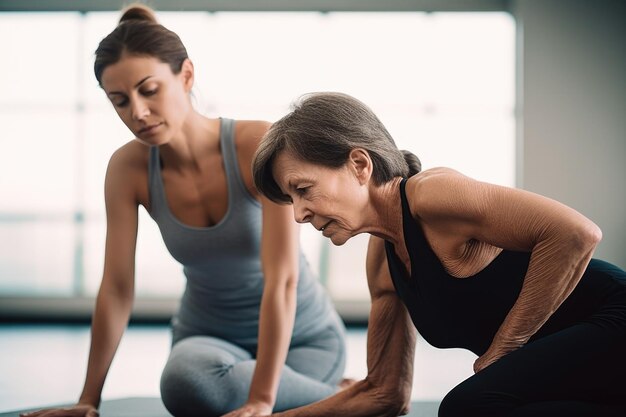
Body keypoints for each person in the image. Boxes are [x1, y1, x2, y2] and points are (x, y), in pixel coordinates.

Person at [22, 6, 349, 417]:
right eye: (119, 101)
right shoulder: (128, 169)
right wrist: (88, 400)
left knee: (232, 392)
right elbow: (116, 288)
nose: (137, 113)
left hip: (303, 340)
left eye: (149, 90)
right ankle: (333, 394)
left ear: (187, 76)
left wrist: (261, 400)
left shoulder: (256, 143)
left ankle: (334, 391)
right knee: (187, 384)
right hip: (208, 339)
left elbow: (281, 278)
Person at [251, 91, 626, 417]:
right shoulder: (382, 259)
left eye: (302, 189)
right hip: (570, 357)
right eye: (291, 200)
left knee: (470, 407)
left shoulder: (431, 194)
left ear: (359, 165)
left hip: (613, 316)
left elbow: (575, 233)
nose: (299, 214)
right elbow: (385, 393)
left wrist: (505, 348)